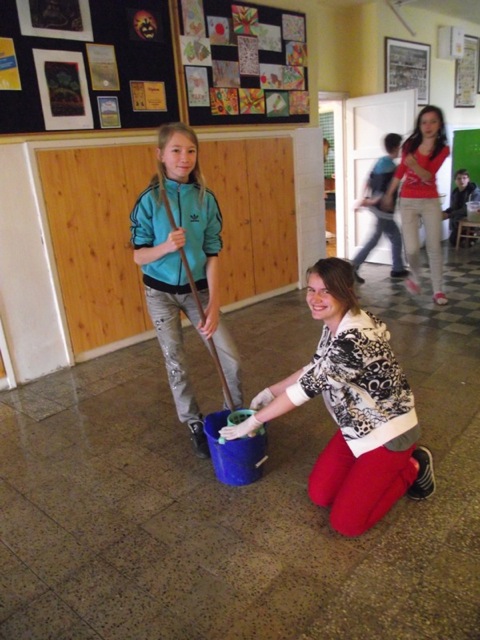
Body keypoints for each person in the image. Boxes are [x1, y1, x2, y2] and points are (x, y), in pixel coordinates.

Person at [219, 257, 435, 538]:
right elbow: (315, 368)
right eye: (311, 289)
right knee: (320, 494)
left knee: (346, 524)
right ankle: (369, 474)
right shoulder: (336, 322)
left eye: (326, 291)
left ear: (346, 292)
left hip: (389, 433)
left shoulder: (354, 340)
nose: (315, 299)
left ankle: (413, 466)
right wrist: (271, 391)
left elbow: (303, 391)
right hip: (356, 425)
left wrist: (253, 422)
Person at [130, 122, 243, 459]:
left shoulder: (205, 198)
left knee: (230, 359)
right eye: (176, 150)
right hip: (160, 294)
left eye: (190, 150)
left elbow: (212, 252)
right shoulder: (149, 201)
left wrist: (214, 303)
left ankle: (234, 417)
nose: (184, 158)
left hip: (199, 292)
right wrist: (166, 246)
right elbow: (138, 256)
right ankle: (194, 422)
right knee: (175, 361)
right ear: (160, 155)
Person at [383, 105, 450, 306]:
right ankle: (415, 276)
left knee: (433, 247)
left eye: (433, 122)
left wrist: (413, 164)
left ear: (440, 125)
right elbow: (400, 171)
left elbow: (428, 175)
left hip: (430, 201)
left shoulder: (443, 149)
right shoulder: (410, 144)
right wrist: (389, 194)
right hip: (408, 201)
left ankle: (438, 290)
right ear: (419, 125)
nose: (428, 126)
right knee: (411, 249)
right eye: (424, 122)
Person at [352, 133, 409, 284]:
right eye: (400, 146)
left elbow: (368, 181)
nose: (401, 149)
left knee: (395, 237)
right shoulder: (390, 167)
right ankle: (353, 266)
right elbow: (383, 190)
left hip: (381, 210)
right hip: (383, 210)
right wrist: (369, 201)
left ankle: (398, 269)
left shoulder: (381, 162)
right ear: (396, 147)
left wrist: (364, 198)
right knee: (374, 239)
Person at [443, 168, 480, 247]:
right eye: (459, 178)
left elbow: (469, 209)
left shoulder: (474, 192)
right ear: (455, 181)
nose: (462, 180)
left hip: (474, 216)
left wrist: (449, 215)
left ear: (468, 179)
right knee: (453, 241)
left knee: (459, 242)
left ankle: (473, 235)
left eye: (464, 178)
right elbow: (453, 207)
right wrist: (445, 212)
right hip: (459, 217)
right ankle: (467, 235)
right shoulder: (456, 192)